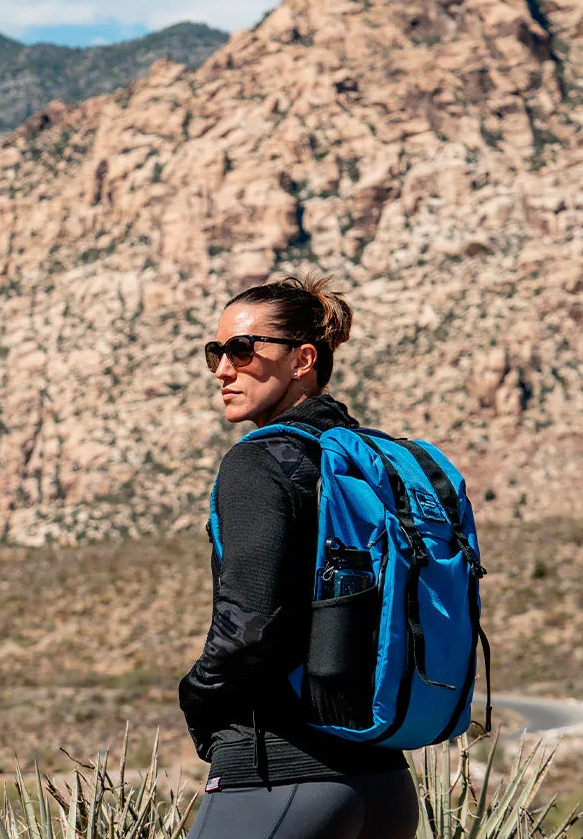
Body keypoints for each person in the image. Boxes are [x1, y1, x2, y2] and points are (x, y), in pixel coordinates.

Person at [178, 274, 420, 839]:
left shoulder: (259, 463)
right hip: (384, 781)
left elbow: (249, 624)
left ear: (302, 359)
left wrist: (198, 696)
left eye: (242, 349)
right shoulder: (368, 460)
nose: (222, 369)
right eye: (216, 352)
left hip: (279, 775)